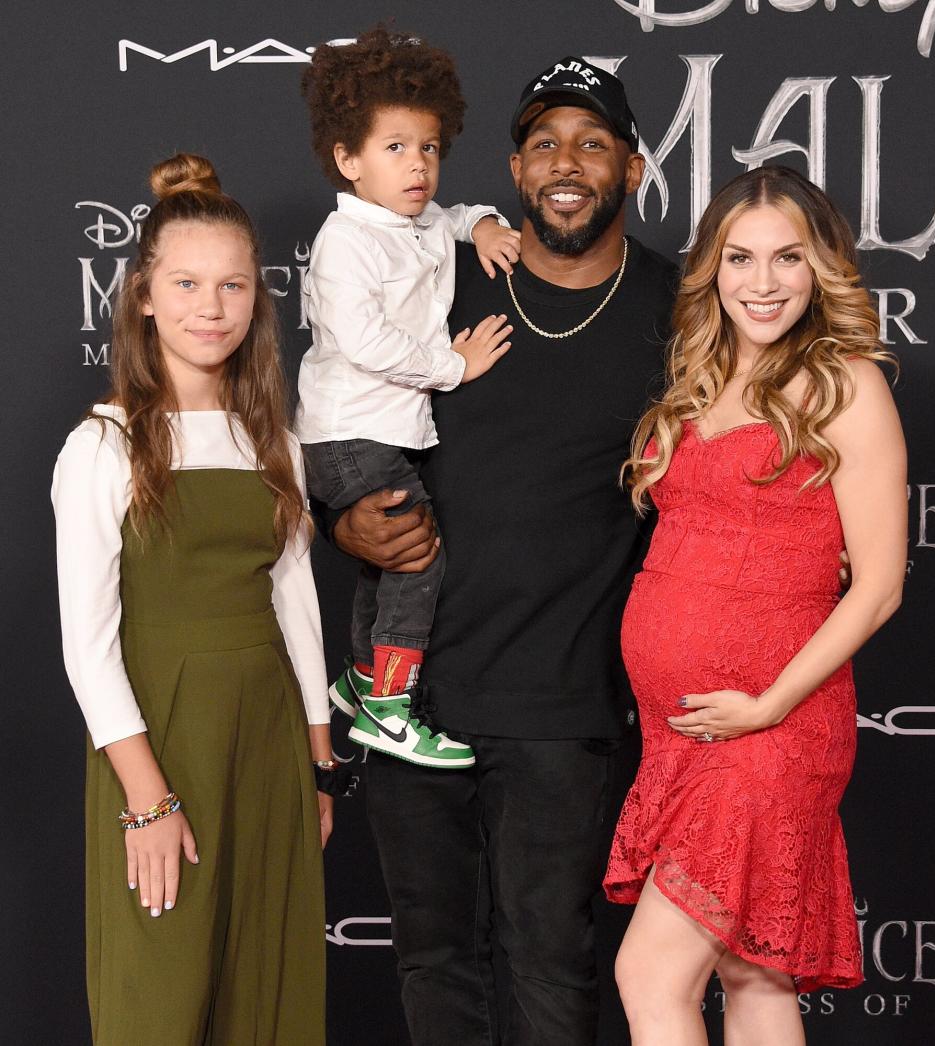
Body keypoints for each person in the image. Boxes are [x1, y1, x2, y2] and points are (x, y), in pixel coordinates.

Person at [330, 58, 676, 1045]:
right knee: (435, 965)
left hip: (565, 707)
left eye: (592, 142)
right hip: (414, 698)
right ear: (517, 171)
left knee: (550, 964)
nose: (566, 163)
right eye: (544, 144)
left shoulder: (682, 308)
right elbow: (334, 428)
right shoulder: (434, 278)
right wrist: (337, 518)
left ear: (634, 168)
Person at [604, 166, 907, 1046]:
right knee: (754, 974)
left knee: (649, 975)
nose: (762, 282)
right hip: (686, 730)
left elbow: (881, 583)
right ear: (713, 269)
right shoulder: (699, 376)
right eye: (740, 258)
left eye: (787, 259)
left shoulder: (846, 383)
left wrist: (769, 703)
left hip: (773, 725)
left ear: (821, 270)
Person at [52, 154, 335, 1046]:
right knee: (160, 999)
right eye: (185, 283)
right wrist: (147, 798)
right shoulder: (100, 445)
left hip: (269, 738)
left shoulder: (276, 442)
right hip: (160, 742)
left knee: (268, 989)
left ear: (258, 299)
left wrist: (317, 758)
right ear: (141, 295)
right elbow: (87, 647)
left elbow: (296, 599)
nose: (209, 308)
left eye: (232, 285)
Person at [295, 27, 520, 768]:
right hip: (349, 435)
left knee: (387, 563)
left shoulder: (416, 218)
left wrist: (482, 221)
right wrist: (451, 366)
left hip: (383, 432)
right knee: (418, 560)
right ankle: (391, 709)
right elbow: (366, 343)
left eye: (427, 148)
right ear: (348, 159)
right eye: (395, 148)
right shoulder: (346, 242)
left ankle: (361, 684)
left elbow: (448, 219)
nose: (417, 165)